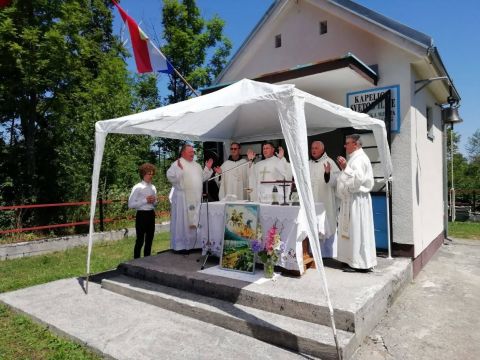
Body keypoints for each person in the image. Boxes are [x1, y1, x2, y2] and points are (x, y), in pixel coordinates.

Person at [336, 134, 376, 271]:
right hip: (351, 199)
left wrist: (345, 168)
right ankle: (351, 260)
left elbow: (357, 180)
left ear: (356, 144)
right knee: (352, 230)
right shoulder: (355, 158)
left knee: (357, 230)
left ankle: (359, 263)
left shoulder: (359, 159)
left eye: (347, 143)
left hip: (357, 200)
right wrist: (345, 168)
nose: (345, 146)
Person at [167, 144, 214, 251]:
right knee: (183, 222)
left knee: (196, 220)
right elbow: (170, 177)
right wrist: (179, 171)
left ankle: (195, 244)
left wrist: (207, 168)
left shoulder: (197, 165)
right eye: (190, 152)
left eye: (193, 152)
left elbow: (202, 177)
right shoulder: (177, 164)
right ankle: (181, 246)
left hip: (196, 199)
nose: (193, 154)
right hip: (182, 199)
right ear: (183, 152)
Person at [309, 140, 340, 258]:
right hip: (312, 201)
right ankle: (312, 253)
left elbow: (336, 182)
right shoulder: (308, 164)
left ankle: (327, 254)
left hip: (325, 202)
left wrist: (328, 174)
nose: (313, 150)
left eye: (316, 148)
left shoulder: (329, 162)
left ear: (322, 149)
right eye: (312, 148)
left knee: (327, 225)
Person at [128, 163, 157, 259]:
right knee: (140, 240)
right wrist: (145, 200)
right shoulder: (137, 187)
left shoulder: (153, 187)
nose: (151, 176)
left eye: (152, 174)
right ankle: (136, 260)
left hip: (151, 214)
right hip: (141, 215)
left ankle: (147, 260)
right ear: (143, 174)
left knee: (149, 240)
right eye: (149, 174)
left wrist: (154, 201)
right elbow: (130, 204)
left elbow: (155, 204)